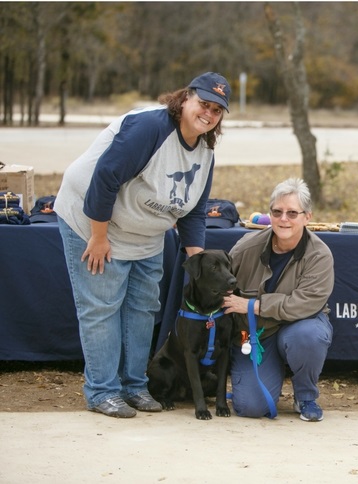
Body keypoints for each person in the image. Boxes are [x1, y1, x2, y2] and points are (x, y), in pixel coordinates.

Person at [54, 72, 232, 418]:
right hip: (93, 219)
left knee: (143, 308)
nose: (208, 114)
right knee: (102, 307)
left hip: (146, 232)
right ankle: (103, 391)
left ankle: (135, 386)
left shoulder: (205, 152)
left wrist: (200, 267)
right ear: (185, 99)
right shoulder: (150, 128)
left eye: (217, 110)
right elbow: (105, 178)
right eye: (203, 104)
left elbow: (194, 211)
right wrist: (99, 237)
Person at [223, 178, 334, 422]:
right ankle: (262, 376)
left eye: (292, 213)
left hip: (298, 326)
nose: (284, 219)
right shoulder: (245, 249)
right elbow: (222, 289)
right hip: (258, 334)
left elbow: (305, 303)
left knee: (307, 336)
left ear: (307, 217)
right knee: (252, 407)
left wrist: (254, 305)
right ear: (269, 214)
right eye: (277, 212)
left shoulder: (320, 255)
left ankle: (305, 396)